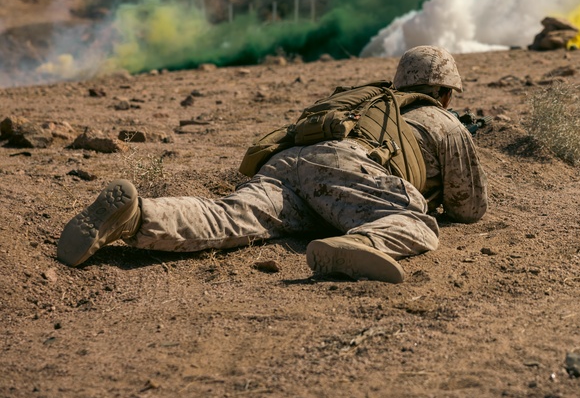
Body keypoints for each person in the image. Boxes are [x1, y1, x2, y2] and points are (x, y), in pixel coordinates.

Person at [56, 46, 488, 284]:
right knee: (413, 219)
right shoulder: (443, 120)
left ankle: (137, 217)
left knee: (230, 216)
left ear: (401, 82)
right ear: (446, 93)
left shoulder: (370, 99)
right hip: (347, 167)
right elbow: (468, 209)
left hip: (290, 161)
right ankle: (364, 245)